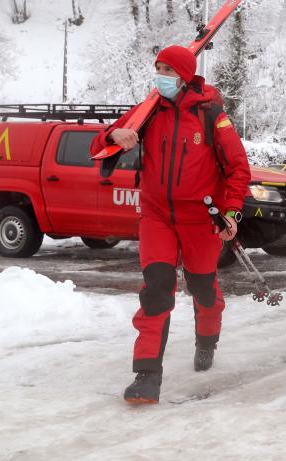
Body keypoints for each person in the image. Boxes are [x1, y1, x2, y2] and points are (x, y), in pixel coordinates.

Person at [90, 45, 251, 403]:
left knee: (203, 287)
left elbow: (239, 168)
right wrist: (113, 136)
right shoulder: (148, 110)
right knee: (156, 289)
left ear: (184, 75)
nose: (159, 75)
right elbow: (98, 144)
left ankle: (206, 340)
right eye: (157, 68)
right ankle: (147, 376)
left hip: (200, 219)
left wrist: (232, 212)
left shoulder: (211, 115)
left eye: (166, 69)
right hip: (156, 216)